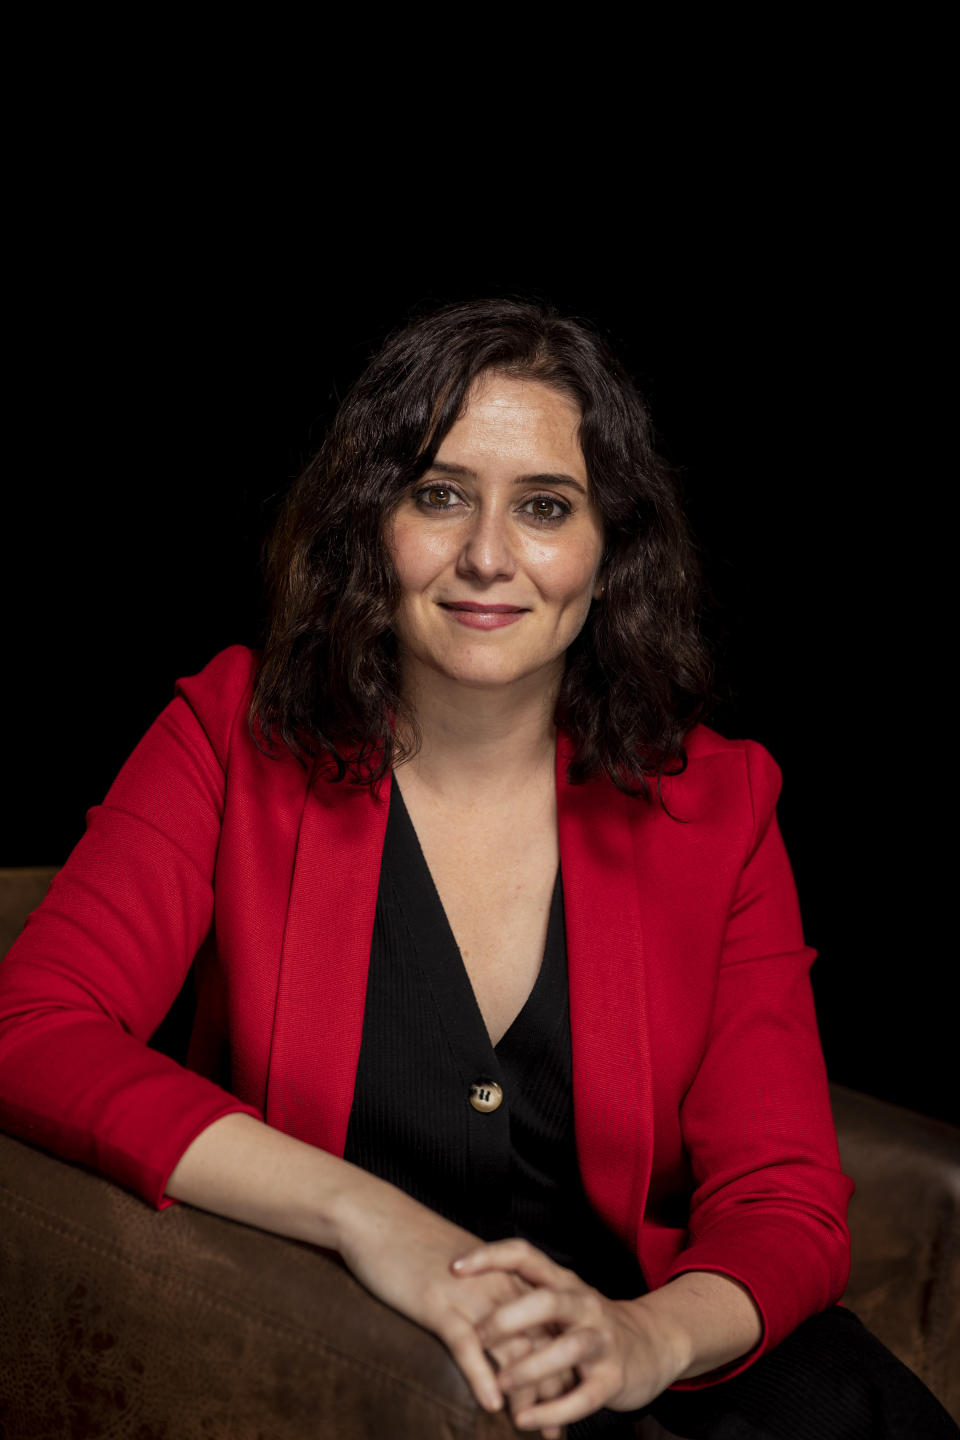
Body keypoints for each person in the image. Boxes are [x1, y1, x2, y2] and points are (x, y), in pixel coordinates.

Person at [0, 299, 955, 1440]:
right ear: (371, 524)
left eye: (545, 508)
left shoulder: (722, 801)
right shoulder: (228, 733)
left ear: (610, 557)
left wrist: (649, 1338)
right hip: (377, 1361)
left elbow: (783, 1195)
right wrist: (370, 1220)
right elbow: (33, 1026)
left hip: (669, 1354)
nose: (489, 557)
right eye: (439, 494)